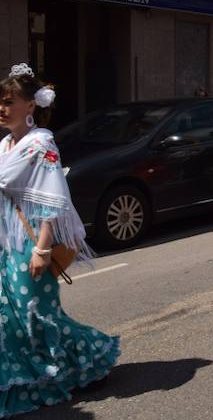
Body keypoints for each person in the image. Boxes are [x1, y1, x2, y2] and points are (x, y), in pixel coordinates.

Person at [0, 63, 119, 416]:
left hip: (32, 240)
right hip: (7, 242)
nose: (2, 108)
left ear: (30, 106)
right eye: (0, 102)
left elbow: (51, 199)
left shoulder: (41, 142)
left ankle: (90, 355)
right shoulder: (6, 144)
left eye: (9, 102)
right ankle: (32, 375)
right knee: (13, 315)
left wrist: (42, 249)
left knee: (38, 314)